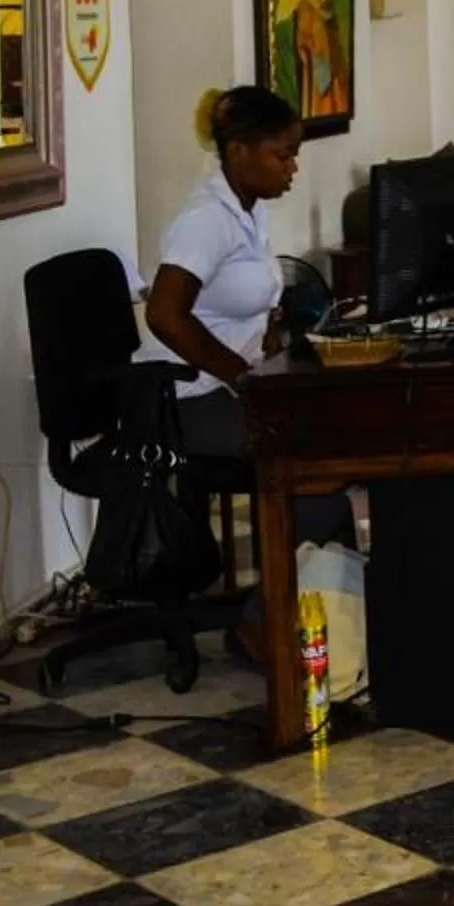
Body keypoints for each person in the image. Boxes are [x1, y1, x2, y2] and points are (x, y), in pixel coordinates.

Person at [139, 84, 353, 659]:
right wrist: (241, 375)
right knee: (308, 464)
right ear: (238, 151)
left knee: (336, 446)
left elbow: (229, 302)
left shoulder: (245, 212)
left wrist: (272, 329)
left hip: (227, 386)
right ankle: (264, 624)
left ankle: (330, 613)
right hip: (185, 399)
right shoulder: (206, 219)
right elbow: (165, 314)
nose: (293, 166)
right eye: (282, 153)